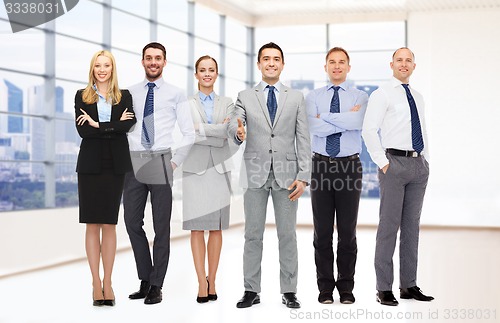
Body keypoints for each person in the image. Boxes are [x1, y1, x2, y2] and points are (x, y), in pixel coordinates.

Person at [228, 42, 312, 309]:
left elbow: (303, 138)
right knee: (253, 234)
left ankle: (289, 290)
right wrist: (237, 131)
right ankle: (251, 290)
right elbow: (236, 121)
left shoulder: (296, 97)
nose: (271, 63)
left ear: (282, 64)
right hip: (255, 172)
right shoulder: (245, 95)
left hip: (288, 176)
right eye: (266, 59)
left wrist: (304, 175)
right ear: (259, 64)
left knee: (287, 234)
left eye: (276, 59)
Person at [124, 42, 195, 305]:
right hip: (134, 162)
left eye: (158, 58)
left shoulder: (176, 94)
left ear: (165, 62)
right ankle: (145, 278)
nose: (153, 62)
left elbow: (189, 132)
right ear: (142, 61)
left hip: (161, 159)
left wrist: (174, 162)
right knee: (132, 222)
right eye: (149, 58)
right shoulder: (128, 92)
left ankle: (157, 284)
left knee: (161, 226)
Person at [362, 47, 433, 306]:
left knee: (412, 228)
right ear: (391, 64)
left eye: (408, 60)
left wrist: (426, 160)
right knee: (389, 227)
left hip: (417, 165)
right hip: (393, 164)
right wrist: (383, 163)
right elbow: (369, 130)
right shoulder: (382, 94)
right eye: (399, 60)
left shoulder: (418, 96)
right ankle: (384, 288)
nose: (404, 64)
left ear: (414, 66)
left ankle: (409, 285)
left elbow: (422, 129)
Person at [305, 47, 368, 305]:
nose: (337, 66)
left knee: (347, 231)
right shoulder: (312, 96)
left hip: (349, 167)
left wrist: (327, 117)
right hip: (320, 166)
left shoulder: (361, 97)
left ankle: (346, 287)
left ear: (348, 67)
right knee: (321, 232)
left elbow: (357, 123)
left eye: (342, 62)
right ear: (325, 67)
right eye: (332, 62)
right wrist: (344, 118)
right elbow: (312, 125)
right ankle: (324, 288)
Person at [75, 50, 136, 307]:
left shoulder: (125, 96)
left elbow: (128, 126)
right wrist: (112, 125)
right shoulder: (82, 96)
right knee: (92, 224)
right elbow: (82, 131)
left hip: (115, 165)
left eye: (106, 65)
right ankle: (94, 282)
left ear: (113, 69)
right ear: (92, 69)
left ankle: (108, 282)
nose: (102, 69)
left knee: (109, 224)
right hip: (89, 165)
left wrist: (98, 125)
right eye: (98, 65)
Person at [182, 55, 234, 303]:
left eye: (211, 70)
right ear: (196, 74)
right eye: (202, 70)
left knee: (216, 227)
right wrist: (216, 131)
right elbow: (186, 134)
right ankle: (200, 281)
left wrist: (200, 128)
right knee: (196, 228)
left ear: (216, 74)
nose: (206, 74)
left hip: (220, 169)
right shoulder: (186, 103)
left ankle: (212, 281)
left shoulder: (229, 103)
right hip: (194, 169)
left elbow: (229, 133)